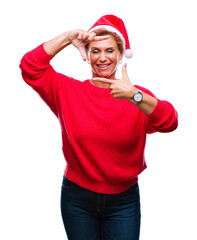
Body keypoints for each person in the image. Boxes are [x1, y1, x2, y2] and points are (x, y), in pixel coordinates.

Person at [19, 15, 178, 240]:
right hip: (77, 198)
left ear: (121, 54)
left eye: (110, 50)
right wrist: (67, 38)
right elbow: (30, 67)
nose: (102, 58)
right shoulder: (67, 91)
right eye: (95, 51)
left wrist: (134, 95)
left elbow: (169, 122)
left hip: (124, 201)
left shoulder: (137, 97)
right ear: (86, 55)